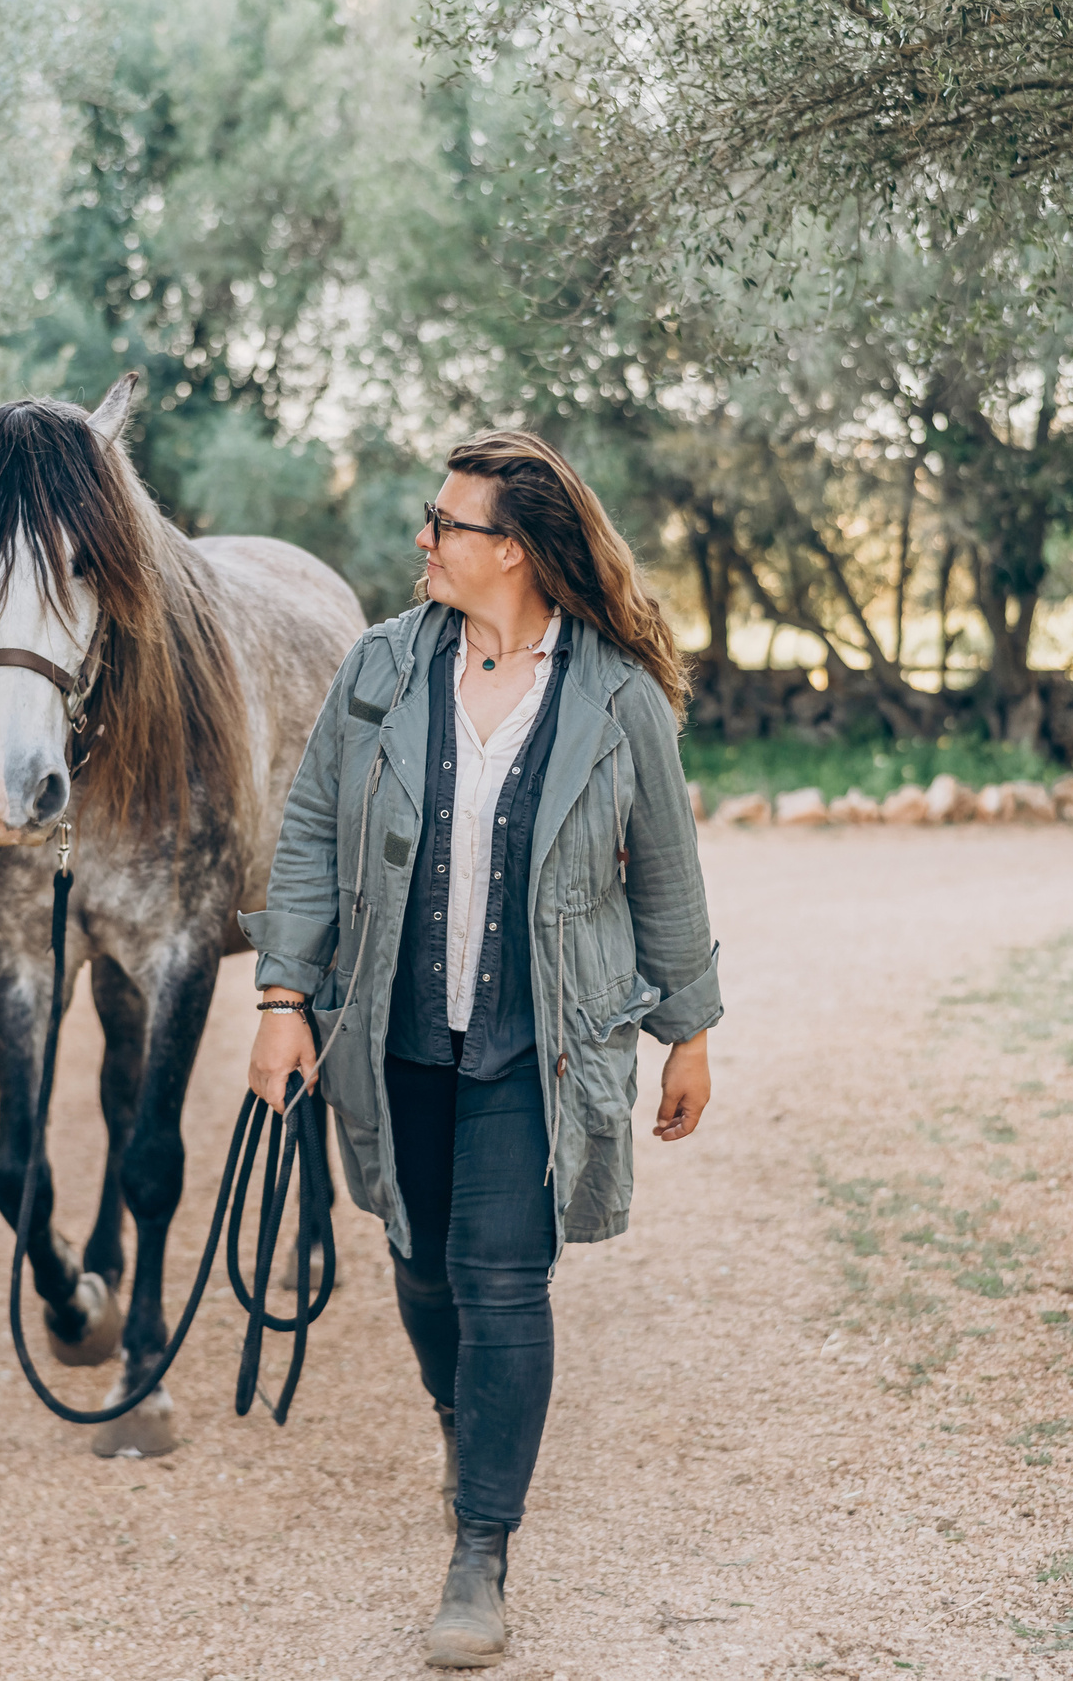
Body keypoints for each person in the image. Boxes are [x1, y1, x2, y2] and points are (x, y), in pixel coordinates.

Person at [239, 430, 722, 1670]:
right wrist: (282, 997)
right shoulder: (380, 667)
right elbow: (308, 834)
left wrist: (687, 1030)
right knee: (418, 1259)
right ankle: (463, 1424)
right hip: (394, 1024)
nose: (425, 539)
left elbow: (666, 874)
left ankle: (480, 1551)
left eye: (447, 524)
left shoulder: (615, 695)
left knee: (501, 1279)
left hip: (539, 1041)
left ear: (512, 550)